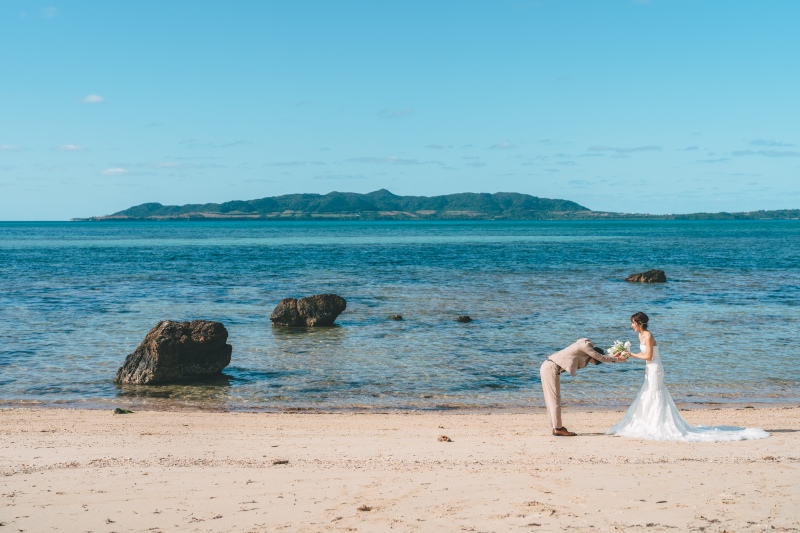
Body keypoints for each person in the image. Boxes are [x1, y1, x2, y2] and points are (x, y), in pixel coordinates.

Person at [607, 312, 769, 441]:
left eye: (633, 323)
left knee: (654, 394)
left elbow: (648, 356)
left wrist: (632, 355)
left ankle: (657, 424)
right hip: (649, 369)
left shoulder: (648, 335)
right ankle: (649, 422)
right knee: (648, 393)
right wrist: (626, 355)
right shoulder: (640, 335)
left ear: (639, 323)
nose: (631, 326)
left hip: (655, 368)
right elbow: (644, 354)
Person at [541, 338, 626, 436]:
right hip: (551, 368)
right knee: (554, 400)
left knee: (551, 399)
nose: (590, 362)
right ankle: (558, 428)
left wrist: (610, 357)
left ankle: (555, 426)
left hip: (548, 366)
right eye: (592, 362)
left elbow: (599, 357)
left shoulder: (583, 346)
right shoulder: (585, 346)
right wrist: (617, 359)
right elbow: (600, 357)